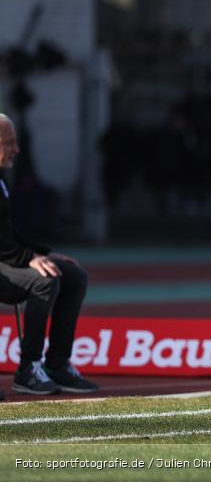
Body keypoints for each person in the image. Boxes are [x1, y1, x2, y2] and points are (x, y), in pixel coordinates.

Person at [0, 115, 98, 397]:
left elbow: (8, 233)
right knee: (44, 280)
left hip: (7, 259)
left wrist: (44, 253)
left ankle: (57, 364)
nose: (17, 150)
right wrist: (27, 258)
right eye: (10, 143)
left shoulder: (1, 182)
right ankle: (29, 368)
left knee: (73, 275)